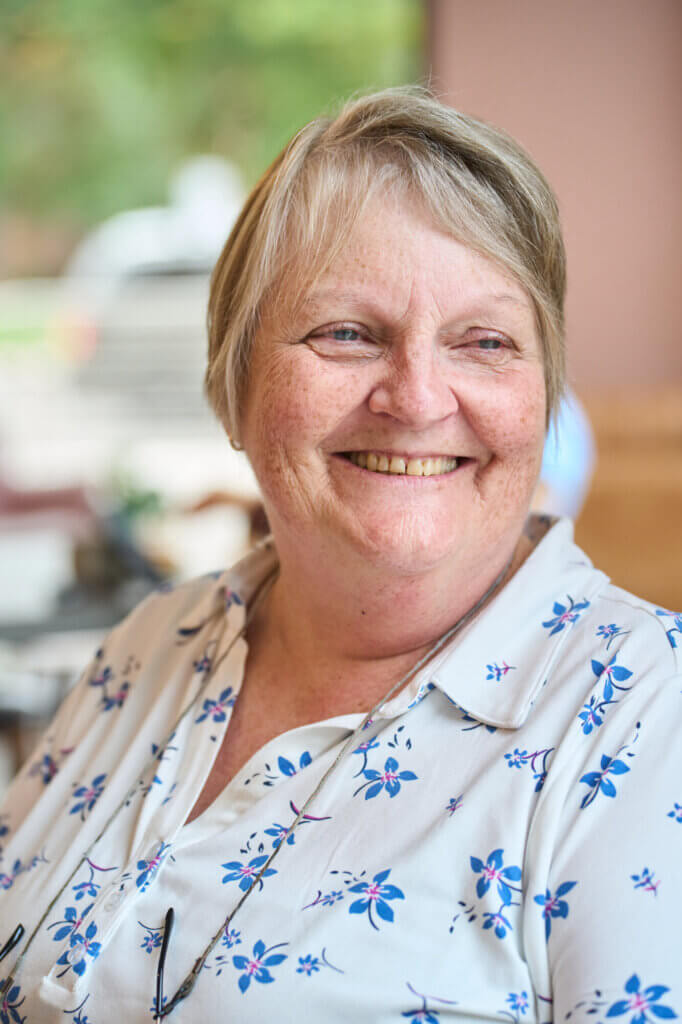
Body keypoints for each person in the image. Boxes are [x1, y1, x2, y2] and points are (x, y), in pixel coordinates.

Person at [1, 88, 680, 1023]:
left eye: (484, 342)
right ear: (235, 382)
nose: (417, 398)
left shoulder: (648, 719)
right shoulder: (149, 644)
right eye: (347, 334)